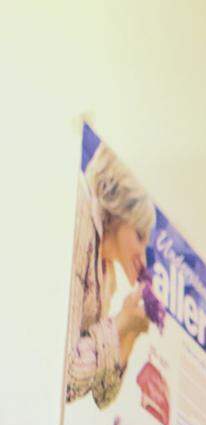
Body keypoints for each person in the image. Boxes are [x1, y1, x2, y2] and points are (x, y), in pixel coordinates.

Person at [66, 142, 154, 408]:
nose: (142, 255)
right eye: (138, 236)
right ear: (118, 213)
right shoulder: (80, 221)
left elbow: (103, 396)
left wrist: (129, 332)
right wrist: (119, 323)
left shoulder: (107, 280)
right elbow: (66, 376)